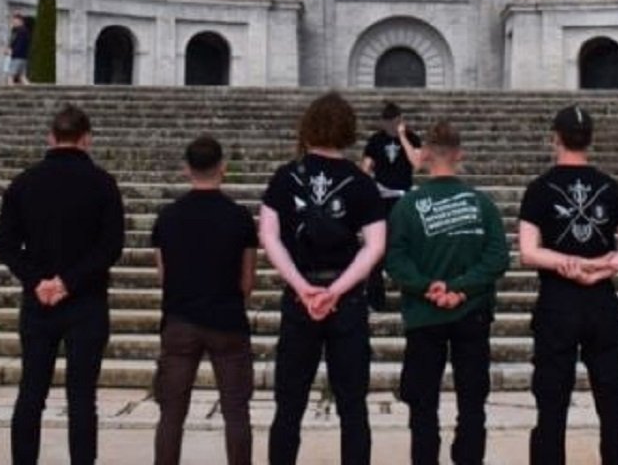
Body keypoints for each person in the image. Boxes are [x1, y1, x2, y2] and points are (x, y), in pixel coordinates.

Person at [259, 91, 386, 465]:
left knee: (289, 405)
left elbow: (268, 236)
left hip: (301, 300)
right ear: (348, 130)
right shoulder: (360, 182)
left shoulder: (286, 177)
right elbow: (375, 246)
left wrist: (302, 287)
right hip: (346, 301)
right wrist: (336, 290)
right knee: (352, 405)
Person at [0, 103, 126, 465]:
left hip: (39, 301)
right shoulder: (102, 183)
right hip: (86, 300)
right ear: (87, 139)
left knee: (31, 392)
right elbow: (111, 246)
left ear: (51, 137)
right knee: (82, 397)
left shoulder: (24, 182)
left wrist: (38, 280)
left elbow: (5, 245)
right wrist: (69, 282)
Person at [518, 104, 618, 465]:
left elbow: (529, 251)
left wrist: (566, 264)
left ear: (554, 138)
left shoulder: (540, 188)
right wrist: (602, 267)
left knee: (552, 406)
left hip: (558, 300)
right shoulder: (609, 186)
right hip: (601, 298)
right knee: (612, 405)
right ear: (590, 140)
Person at [384, 119, 511, 465]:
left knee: (422, 405)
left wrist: (429, 287)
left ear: (424, 155)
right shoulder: (481, 204)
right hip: (472, 312)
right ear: (460, 154)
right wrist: (459, 290)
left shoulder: (407, 206)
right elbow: (497, 258)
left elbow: (394, 259)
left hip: (425, 316)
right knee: (472, 403)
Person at [151, 134, 258, 465]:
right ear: (222, 167)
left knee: (171, 413)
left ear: (186, 169)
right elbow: (247, 282)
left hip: (181, 319)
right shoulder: (239, 217)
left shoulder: (167, 217)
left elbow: (163, 275)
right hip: (227, 320)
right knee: (236, 412)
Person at [362, 101, 421, 310]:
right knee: (376, 251)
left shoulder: (412, 137)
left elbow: (417, 163)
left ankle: (411, 299)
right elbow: (366, 169)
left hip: (403, 201)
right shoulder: (376, 140)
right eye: (388, 124)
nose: (391, 128)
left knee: (406, 249)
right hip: (381, 200)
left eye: (395, 123)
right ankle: (375, 300)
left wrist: (403, 136)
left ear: (400, 121)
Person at [8, 12, 33, 85]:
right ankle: (31, 91)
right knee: (22, 76)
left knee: (10, 75)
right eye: (13, 21)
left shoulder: (22, 31)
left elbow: (20, 44)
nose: (13, 22)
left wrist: (12, 51)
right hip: (23, 57)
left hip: (17, 56)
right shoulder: (16, 30)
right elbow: (13, 42)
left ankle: (10, 93)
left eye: (15, 21)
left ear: (20, 21)